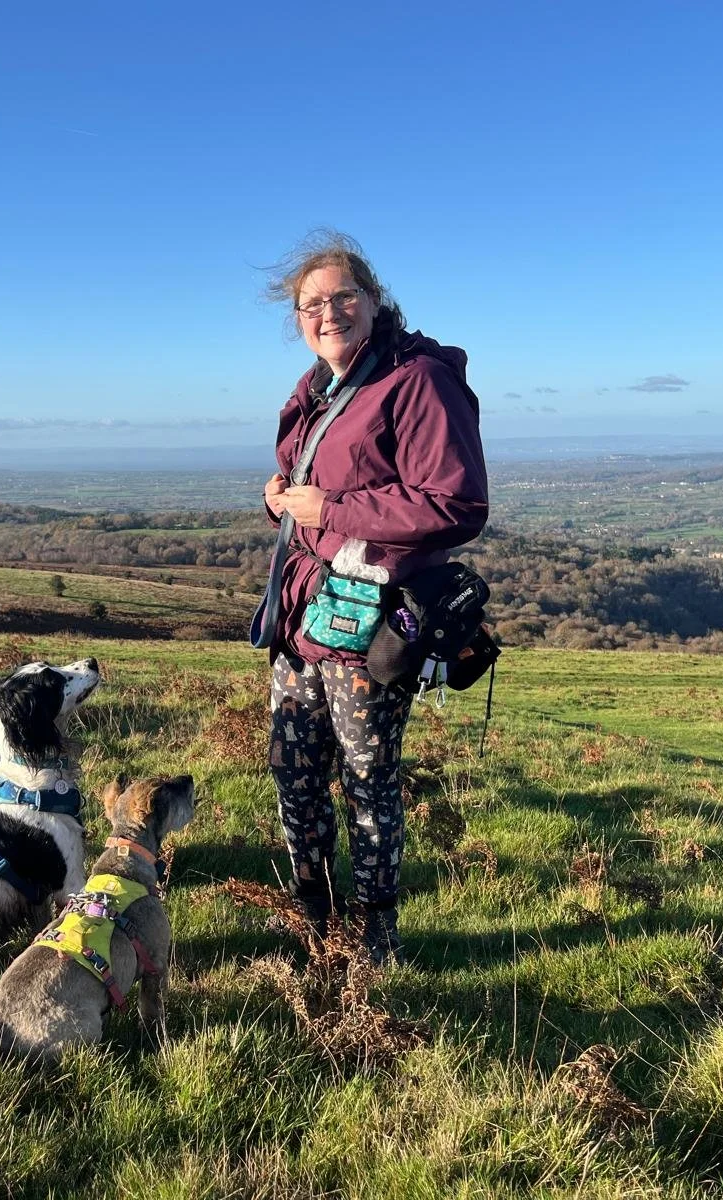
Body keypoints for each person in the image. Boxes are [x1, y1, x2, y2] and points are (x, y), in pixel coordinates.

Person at [258, 231, 488, 965]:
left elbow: (454, 503)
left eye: (342, 297)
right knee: (295, 778)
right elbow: (310, 486)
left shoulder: (417, 379)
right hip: (302, 617)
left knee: (366, 783)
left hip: (369, 622)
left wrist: (332, 511)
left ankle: (376, 941)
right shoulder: (320, 386)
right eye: (310, 305)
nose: (328, 313)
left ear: (373, 299)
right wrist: (281, 501)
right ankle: (314, 925)